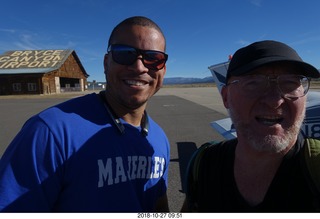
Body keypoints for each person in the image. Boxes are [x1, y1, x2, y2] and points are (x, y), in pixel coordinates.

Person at [0, 16, 170, 212]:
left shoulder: (158, 139)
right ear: (106, 63)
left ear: (163, 70)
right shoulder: (50, 132)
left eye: (153, 58)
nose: (139, 67)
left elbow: (158, 208)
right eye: (125, 54)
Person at [181, 40, 320, 212]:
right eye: (253, 83)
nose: (274, 101)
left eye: (290, 83)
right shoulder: (204, 166)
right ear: (226, 97)